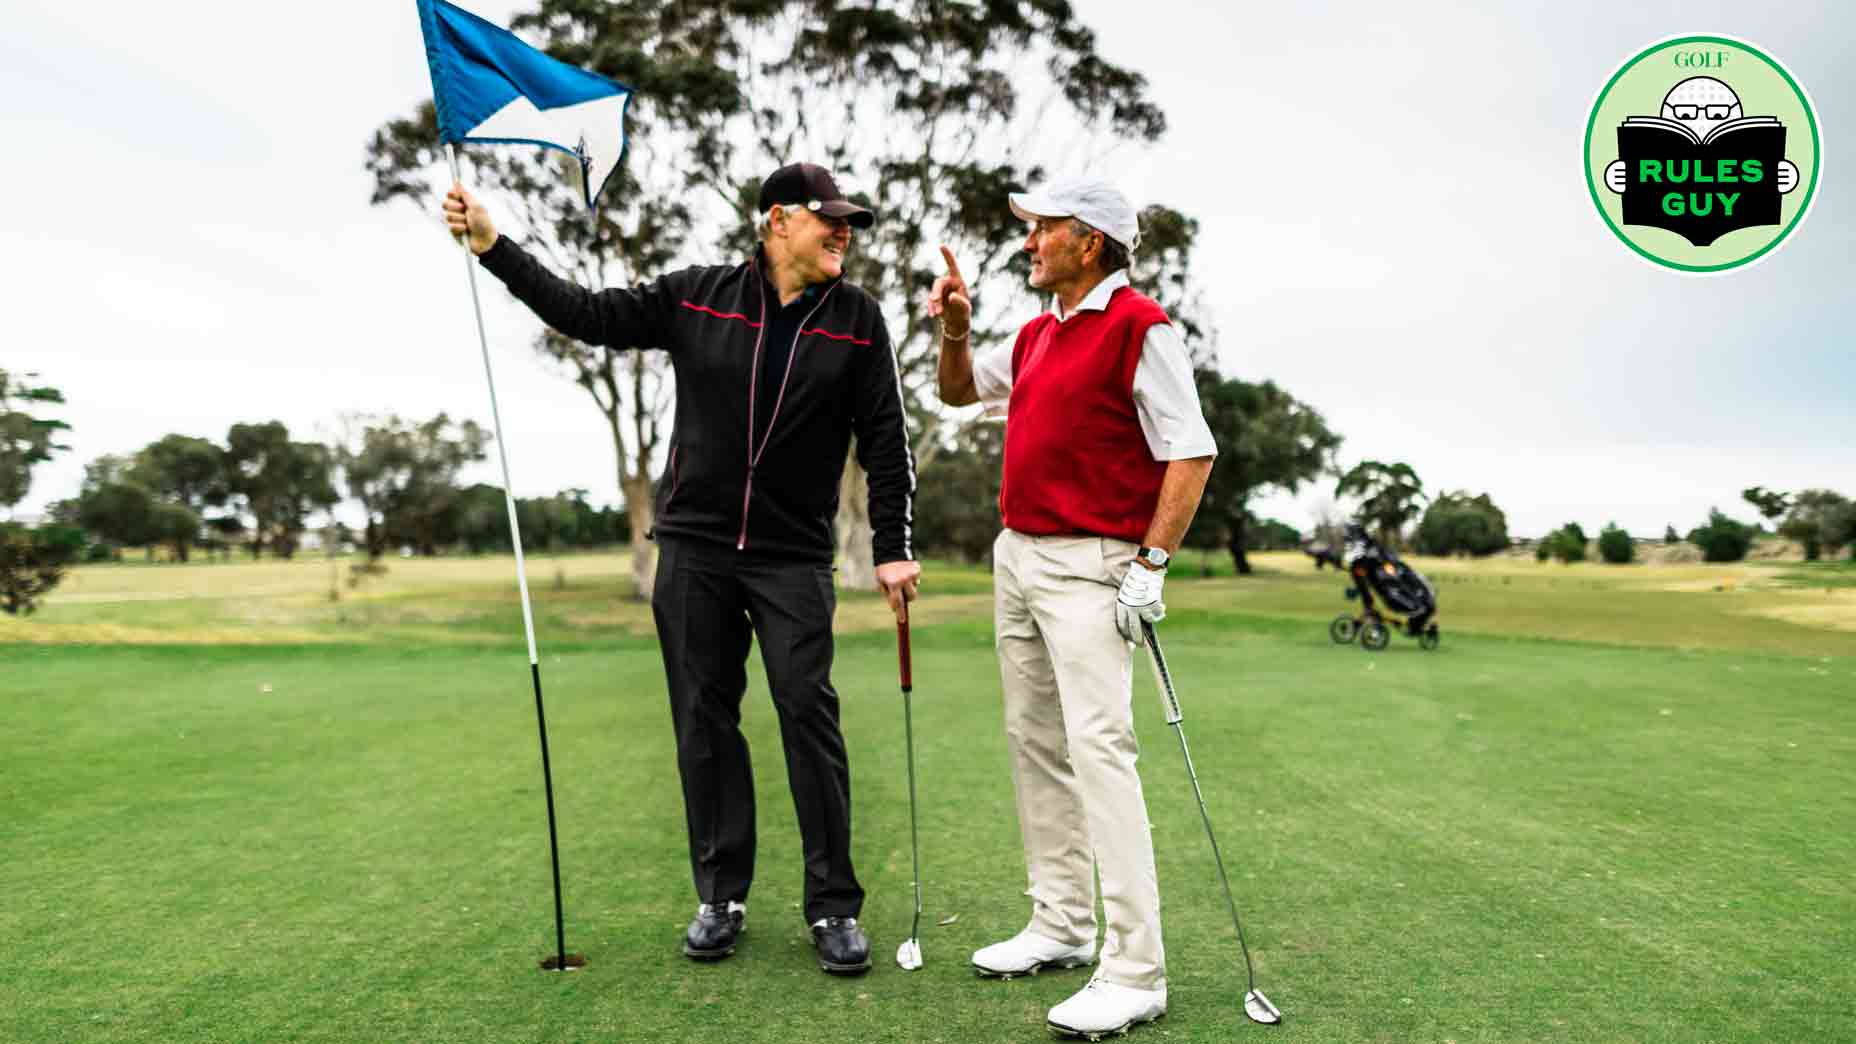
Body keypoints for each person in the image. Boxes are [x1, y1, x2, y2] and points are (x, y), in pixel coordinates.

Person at [444, 162, 921, 976]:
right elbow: (586, 313)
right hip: (695, 551)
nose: (844, 233)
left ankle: (834, 905)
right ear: (778, 221)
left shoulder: (858, 321)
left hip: (793, 558)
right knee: (704, 721)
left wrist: (893, 546)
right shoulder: (698, 296)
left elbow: (885, 440)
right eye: (828, 219)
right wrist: (494, 246)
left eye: (849, 223)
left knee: (807, 714)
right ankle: (721, 896)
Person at [929, 177, 1215, 1037]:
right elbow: (955, 392)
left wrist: (1151, 565)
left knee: (1100, 751)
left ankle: (1136, 970)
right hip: (1018, 555)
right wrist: (954, 329)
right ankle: (1060, 922)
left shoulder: (1139, 327)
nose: (1029, 242)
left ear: (1090, 242)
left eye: (1044, 228)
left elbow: (1191, 452)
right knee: (1035, 742)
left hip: (1092, 564)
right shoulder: (1035, 335)